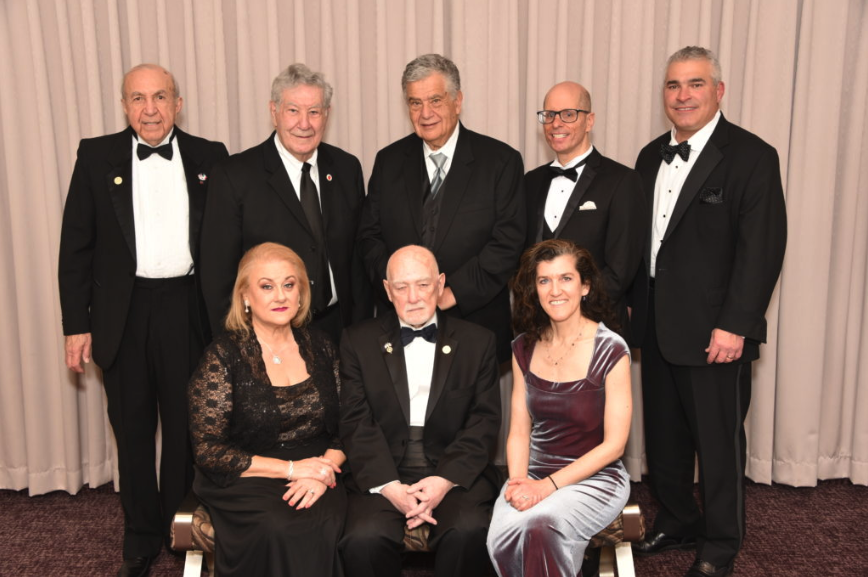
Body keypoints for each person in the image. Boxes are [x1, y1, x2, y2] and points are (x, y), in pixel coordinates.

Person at [58, 64, 228, 577]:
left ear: (178, 103)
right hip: (123, 313)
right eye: (138, 98)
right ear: (124, 104)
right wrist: (75, 324)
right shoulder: (95, 155)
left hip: (186, 307)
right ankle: (140, 533)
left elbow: (224, 243)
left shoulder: (210, 156)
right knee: (131, 427)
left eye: (159, 97)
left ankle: (183, 528)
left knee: (185, 428)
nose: (149, 109)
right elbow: (76, 247)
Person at [630, 47, 787, 577]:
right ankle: (676, 519)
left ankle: (721, 541)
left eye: (695, 84)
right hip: (655, 325)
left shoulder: (751, 156)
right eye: (674, 85)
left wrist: (736, 325)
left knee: (718, 445)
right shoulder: (650, 155)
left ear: (718, 91)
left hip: (716, 331)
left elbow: (761, 250)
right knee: (665, 439)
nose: (683, 95)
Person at [339, 245, 502, 577]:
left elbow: (483, 421)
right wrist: (389, 486)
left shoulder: (478, 342)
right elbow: (356, 421)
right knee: (364, 539)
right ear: (387, 290)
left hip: (452, 470)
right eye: (401, 287)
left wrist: (443, 481)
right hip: (383, 469)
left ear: (440, 284)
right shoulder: (358, 341)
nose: (413, 297)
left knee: (468, 530)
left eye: (423, 284)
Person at [188, 242, 346, 576]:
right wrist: (291, 469)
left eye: (290, 285)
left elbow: (351, 423)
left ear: (301, 294)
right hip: (248, 473)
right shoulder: (222, 357)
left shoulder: (322, 346)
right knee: (279, 527)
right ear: (245, 296)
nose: (281, 296)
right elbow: (209, 451)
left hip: (317, 467)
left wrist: (321, 471)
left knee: (333, 526)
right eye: (267, 286)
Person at [357, 53, 525, 362]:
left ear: (457, 101)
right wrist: (403, 293)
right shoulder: (388, 161)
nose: (425, 113)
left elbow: (507, 244)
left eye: (435, 100)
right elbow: (370, 237)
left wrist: (448, 294)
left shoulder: (500, 161)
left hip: (472, 322)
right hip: (399, 325)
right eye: (415, 103)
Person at [486, 239, 632, 576]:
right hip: (533, 472)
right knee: (503, 536)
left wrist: (545, 488)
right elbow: (519, 433)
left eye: (566, 278)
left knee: (541, 526)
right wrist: (520, 482)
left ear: (585, 286)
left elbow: (615, 446)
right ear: (534, 290)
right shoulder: (523, 347)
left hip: (596, 477)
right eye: (544, 280)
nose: (556, 290)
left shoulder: (611, 349)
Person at [200, 63, 371, 345]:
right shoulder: (234, 175)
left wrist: (362, 333)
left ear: (326, 115)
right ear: (274, 112)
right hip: (268, 337)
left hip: (340, 332)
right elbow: (217, 275)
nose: (304, 123)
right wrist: (237, 347)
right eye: (293, 110)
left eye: (314, 112)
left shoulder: (346, 168)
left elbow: (357, 261)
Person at [525, 81, 645, 339]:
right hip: (539, 329)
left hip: (598, 328)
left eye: (568, 114)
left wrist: (572, 316)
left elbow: (621, 270)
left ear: (589, 121)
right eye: (549, 115)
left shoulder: (622, 181)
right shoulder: (529, 182)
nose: (556, 123)